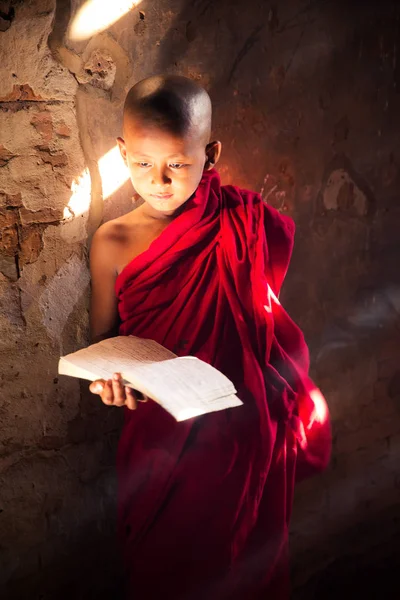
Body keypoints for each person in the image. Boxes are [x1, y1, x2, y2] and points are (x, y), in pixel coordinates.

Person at [89, 74, 331, 600]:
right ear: (121, 151)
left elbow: (261, 327)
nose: (159, 180)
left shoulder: (240, 221)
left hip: (238, 436)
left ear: (210, 152)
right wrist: (110, 383)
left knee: (241, 575)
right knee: (163, 574)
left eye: (177, 163)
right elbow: (103, 344)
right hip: (158, 439)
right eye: (141, 163)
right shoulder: (112, 242)